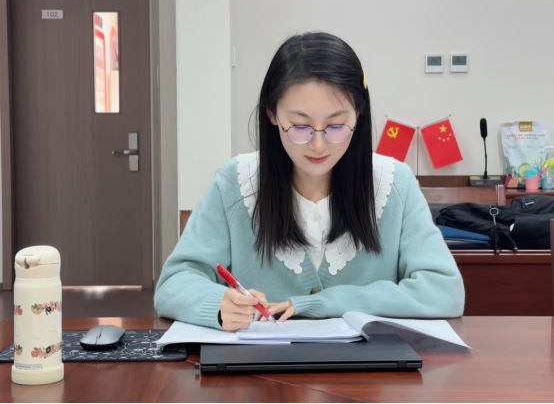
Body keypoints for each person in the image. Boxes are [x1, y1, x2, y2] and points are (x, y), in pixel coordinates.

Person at [155, 32, 465, 331]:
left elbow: (443, 291)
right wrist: (219, 306)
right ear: (272, 114)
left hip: (368, 368)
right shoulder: (236, 183)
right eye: (300, 126)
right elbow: (175, 282)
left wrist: (330, 302)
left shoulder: (394, 183)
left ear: (358, 115)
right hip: (262, 366)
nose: (318, 145)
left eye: (336, 125)